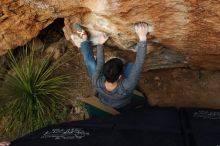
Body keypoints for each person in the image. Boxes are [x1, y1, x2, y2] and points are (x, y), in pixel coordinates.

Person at [70, 22, 148, 112]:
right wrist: (143, 37)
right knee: (131, 66)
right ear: (120, 77)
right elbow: (139, 63)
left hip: (104, 100)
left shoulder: (96, 81)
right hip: (121, 103)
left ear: (103, 72)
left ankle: (84, 38)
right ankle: (85, 39)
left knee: (90, 63)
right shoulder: (127, 86)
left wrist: (100, 44)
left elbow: (100, 63)